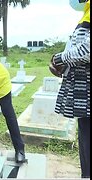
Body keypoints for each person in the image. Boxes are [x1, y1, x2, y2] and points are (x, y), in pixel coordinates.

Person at [49, 0, 90, 177]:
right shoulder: (86, 15)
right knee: (85, 138)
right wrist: (61, 67)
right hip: (83, 93)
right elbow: (76, 48)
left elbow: (87, 50)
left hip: (87, 89)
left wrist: (60, 58)